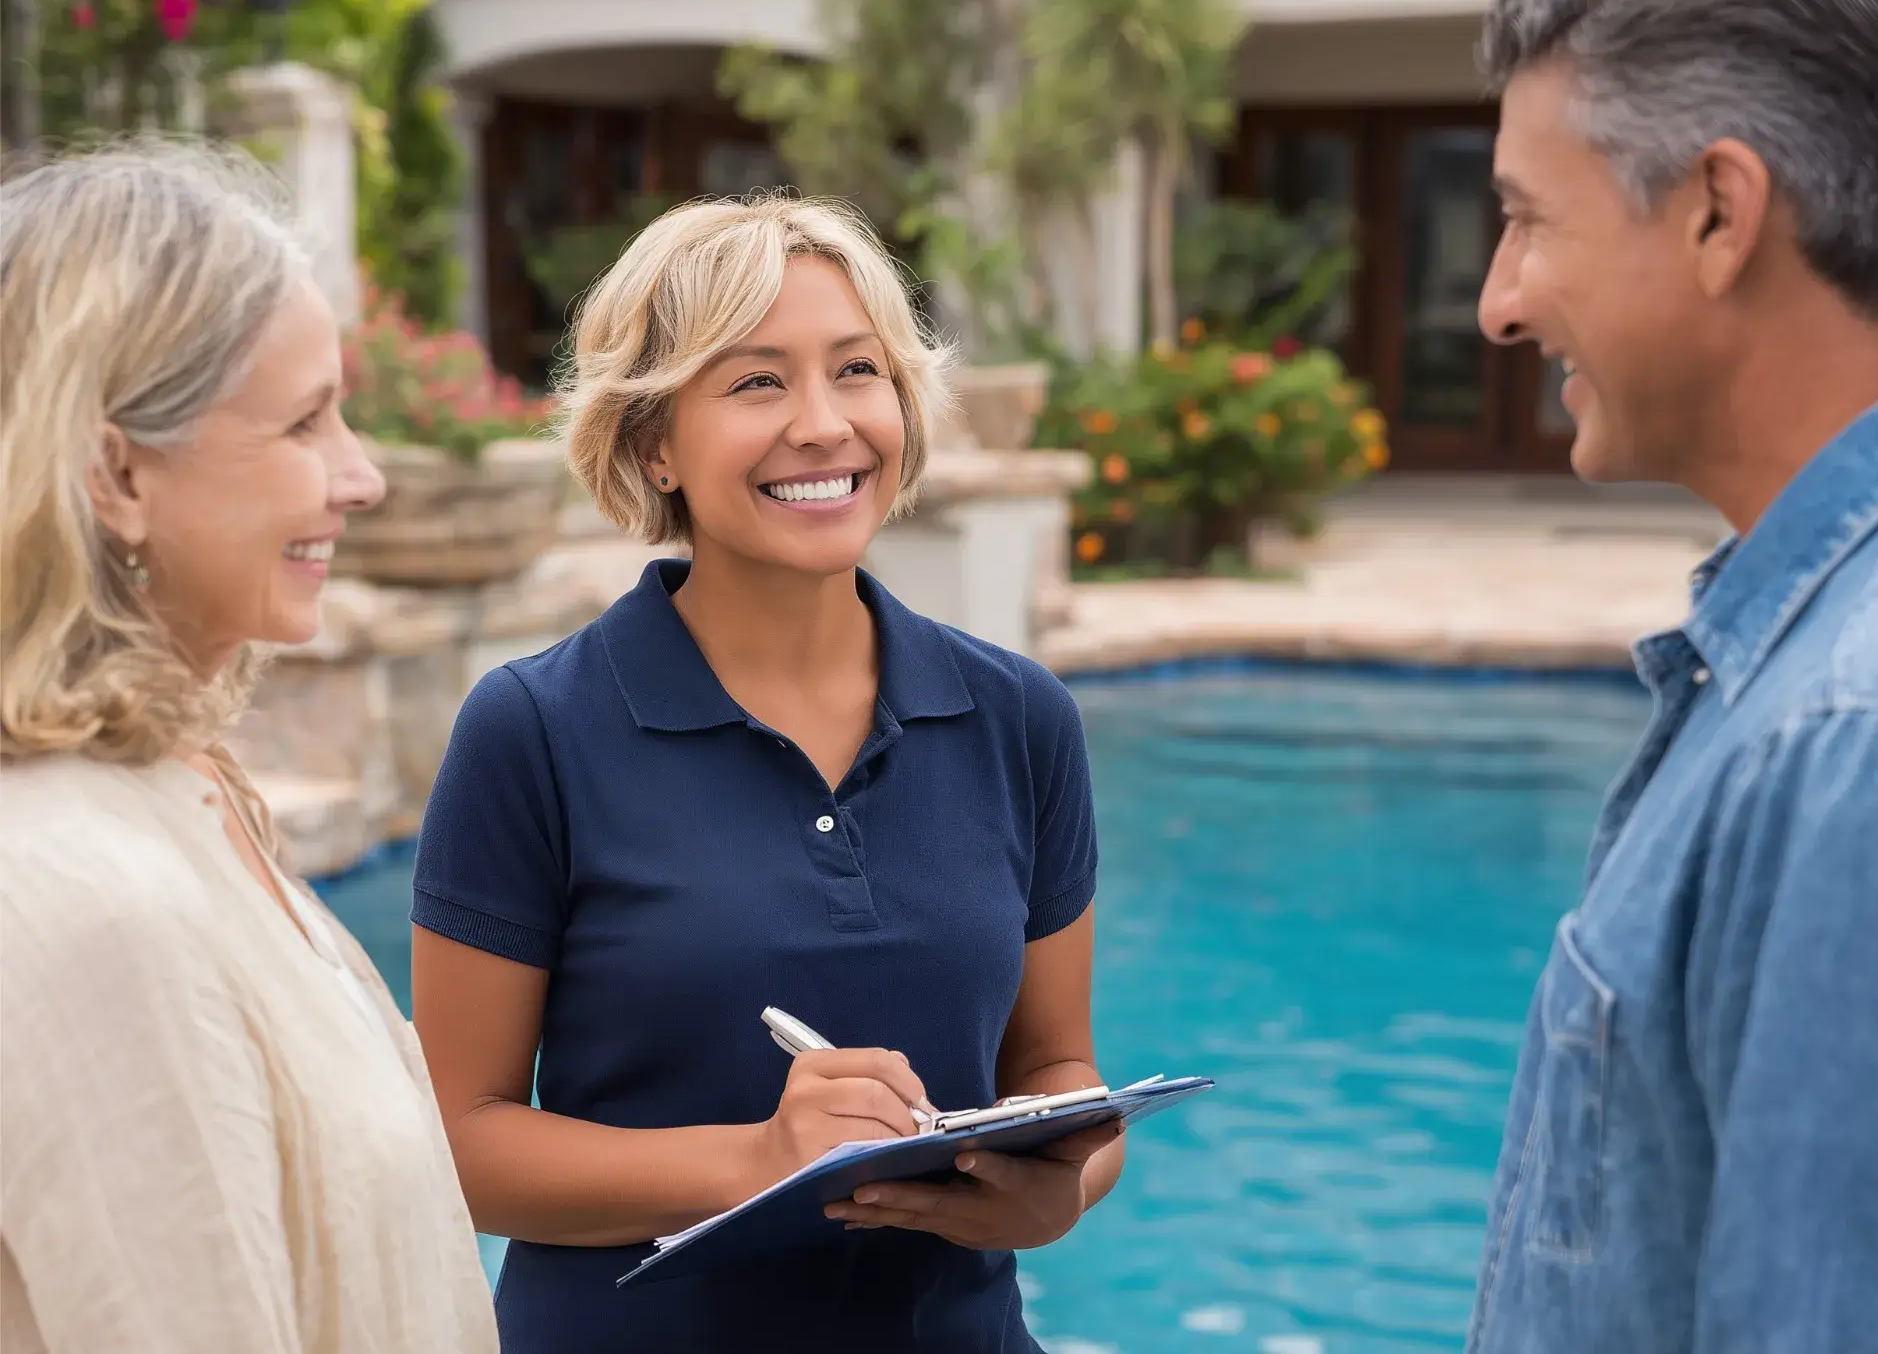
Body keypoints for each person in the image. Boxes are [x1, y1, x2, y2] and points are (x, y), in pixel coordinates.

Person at [409, 195, 1118, 1353]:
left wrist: (1061, 1193)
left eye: (857, 370)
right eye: (755, 383)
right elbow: (457, 1141)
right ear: (652, 443)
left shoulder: (1020, 718)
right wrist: (756, 1158)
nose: (825, 424)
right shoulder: (533, 729)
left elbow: (1056, 1066)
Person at [1468, 0, 1878, 1350]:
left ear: (1720, 212)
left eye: (1530, 216)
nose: (1497, 302)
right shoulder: (1813, 673)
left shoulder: (1859, 742)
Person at [0, 143, 500, 1354]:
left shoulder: (187, 799)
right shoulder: (82, 900)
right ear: (116, 471)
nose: (364, 476)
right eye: (304, 422)